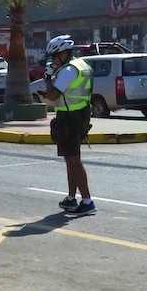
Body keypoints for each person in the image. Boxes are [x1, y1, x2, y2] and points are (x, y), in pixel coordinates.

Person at [41, 34, 96, 217]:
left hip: (70, 117)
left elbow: (53, 95)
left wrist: (48, 78)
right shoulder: (81, 65)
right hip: (80, 114)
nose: (53, 61)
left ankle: (87, 201)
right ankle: (72, 198)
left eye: (54, 57)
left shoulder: (68, 71)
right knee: (70, 159)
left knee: (73, 161)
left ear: (63, 54)